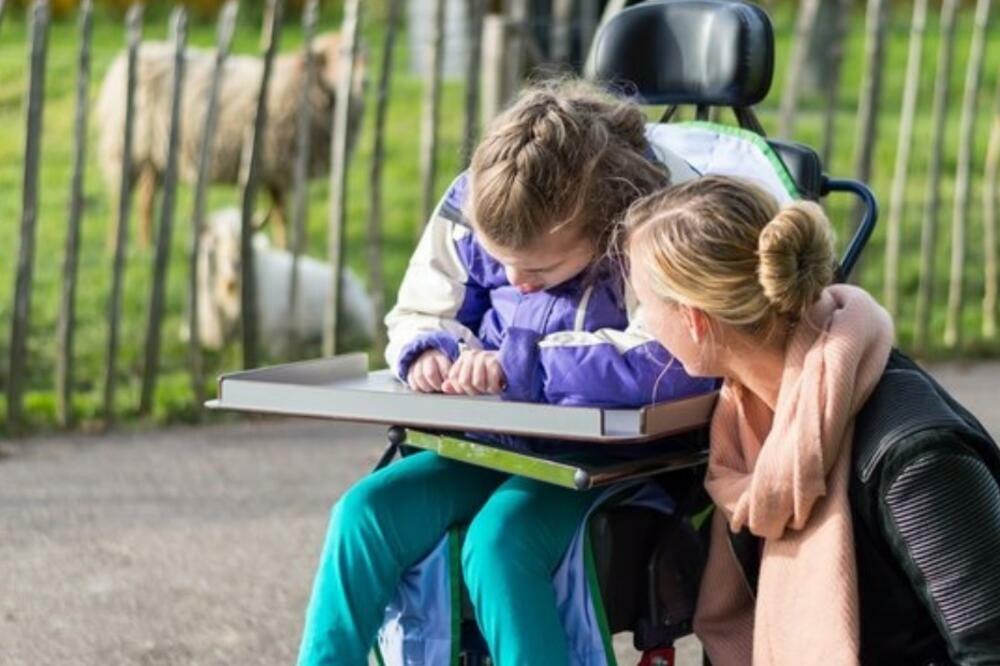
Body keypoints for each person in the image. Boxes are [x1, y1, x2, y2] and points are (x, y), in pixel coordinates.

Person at [296, 80, 715, 666]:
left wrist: (525, 366)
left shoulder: (659, 217)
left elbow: (674, 357)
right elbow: (422, 306)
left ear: (604, 226)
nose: (516, 280)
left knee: (500, 543)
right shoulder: (486, 191)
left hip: (606, 461)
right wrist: (429, 352)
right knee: (364, 514)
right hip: (489, 442)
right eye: (501, 262)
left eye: (540, 267)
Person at [624, 175, 1000, 665]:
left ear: (695, 321)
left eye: (644, 306)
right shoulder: (746, 431)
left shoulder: (913, 457)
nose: (642, 324)